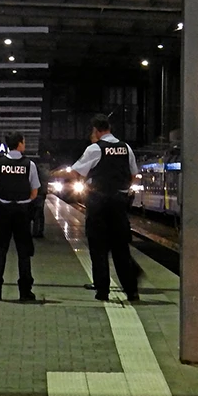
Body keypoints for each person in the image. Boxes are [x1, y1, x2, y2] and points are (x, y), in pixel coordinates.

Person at [71, 114, 139, 302]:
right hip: (119, 203)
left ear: (97, 130)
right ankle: (131, 291)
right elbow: (134, 174)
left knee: (98, 248)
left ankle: (103, 291)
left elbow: (77, 171)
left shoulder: (95, 149)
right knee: (121, 248)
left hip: (98, 203)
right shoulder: (126, 148)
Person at [0, 132, 39, 302]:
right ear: (20, 144)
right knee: (24, 252)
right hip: (22, 212)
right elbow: (35, 192)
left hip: (3, 212)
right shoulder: (30, 165)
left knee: (0, 250)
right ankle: (25, 292)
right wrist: (23, 201)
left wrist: (2, 199)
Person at [31, 163, 49, 238]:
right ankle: (39, 231)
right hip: (41, 194)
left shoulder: (35, 174)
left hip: (37, 194)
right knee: (39, 214)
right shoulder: (44, 174)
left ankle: (36, 232)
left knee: (36, 214)